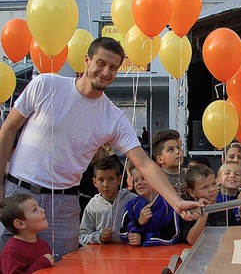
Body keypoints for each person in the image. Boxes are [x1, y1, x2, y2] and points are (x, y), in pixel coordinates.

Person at [0, 37, 199, 256]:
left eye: (113, 67)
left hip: (65, 204)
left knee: (62, 266)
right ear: (87, 60)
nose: (106, 72)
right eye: (101, 63)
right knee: (8, 261)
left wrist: (176, 202)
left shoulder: (113, 118)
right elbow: (8, 130)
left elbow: (143, 163)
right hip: (18, 193)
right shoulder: (45, 85)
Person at [79, 157, 137, 246]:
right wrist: (99, 237)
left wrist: (139, 236)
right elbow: (82, 236)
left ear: (119, 179)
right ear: (94, 182)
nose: (106, 185)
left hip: (131, 252)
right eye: (101, 180)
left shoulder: (133, 200)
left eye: (111, 179)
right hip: (102, 256)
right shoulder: (93, 205)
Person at [119, 164, 181, 246]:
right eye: (136, 180)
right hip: (137, 256)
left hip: (163, 254)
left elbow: (173, 236)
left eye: (144, 178)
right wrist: (138, 223)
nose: (139, 183)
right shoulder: (131, 205)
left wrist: (144, 238)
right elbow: (123, 233)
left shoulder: (169, 204)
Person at [181, 164, 237, 245]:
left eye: (214, 184)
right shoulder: (188, 214)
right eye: (205, 187)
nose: (212, 189)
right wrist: (204, 214)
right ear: (192, 192)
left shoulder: (226, 210)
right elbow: (192, 240)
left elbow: (236, 235)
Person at [0, 194, 54, 273]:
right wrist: (42, 263)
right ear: (20, 224)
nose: (42, 210)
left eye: (38, 206)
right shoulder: (11, 251)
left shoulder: (43, 243)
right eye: (34, 210)